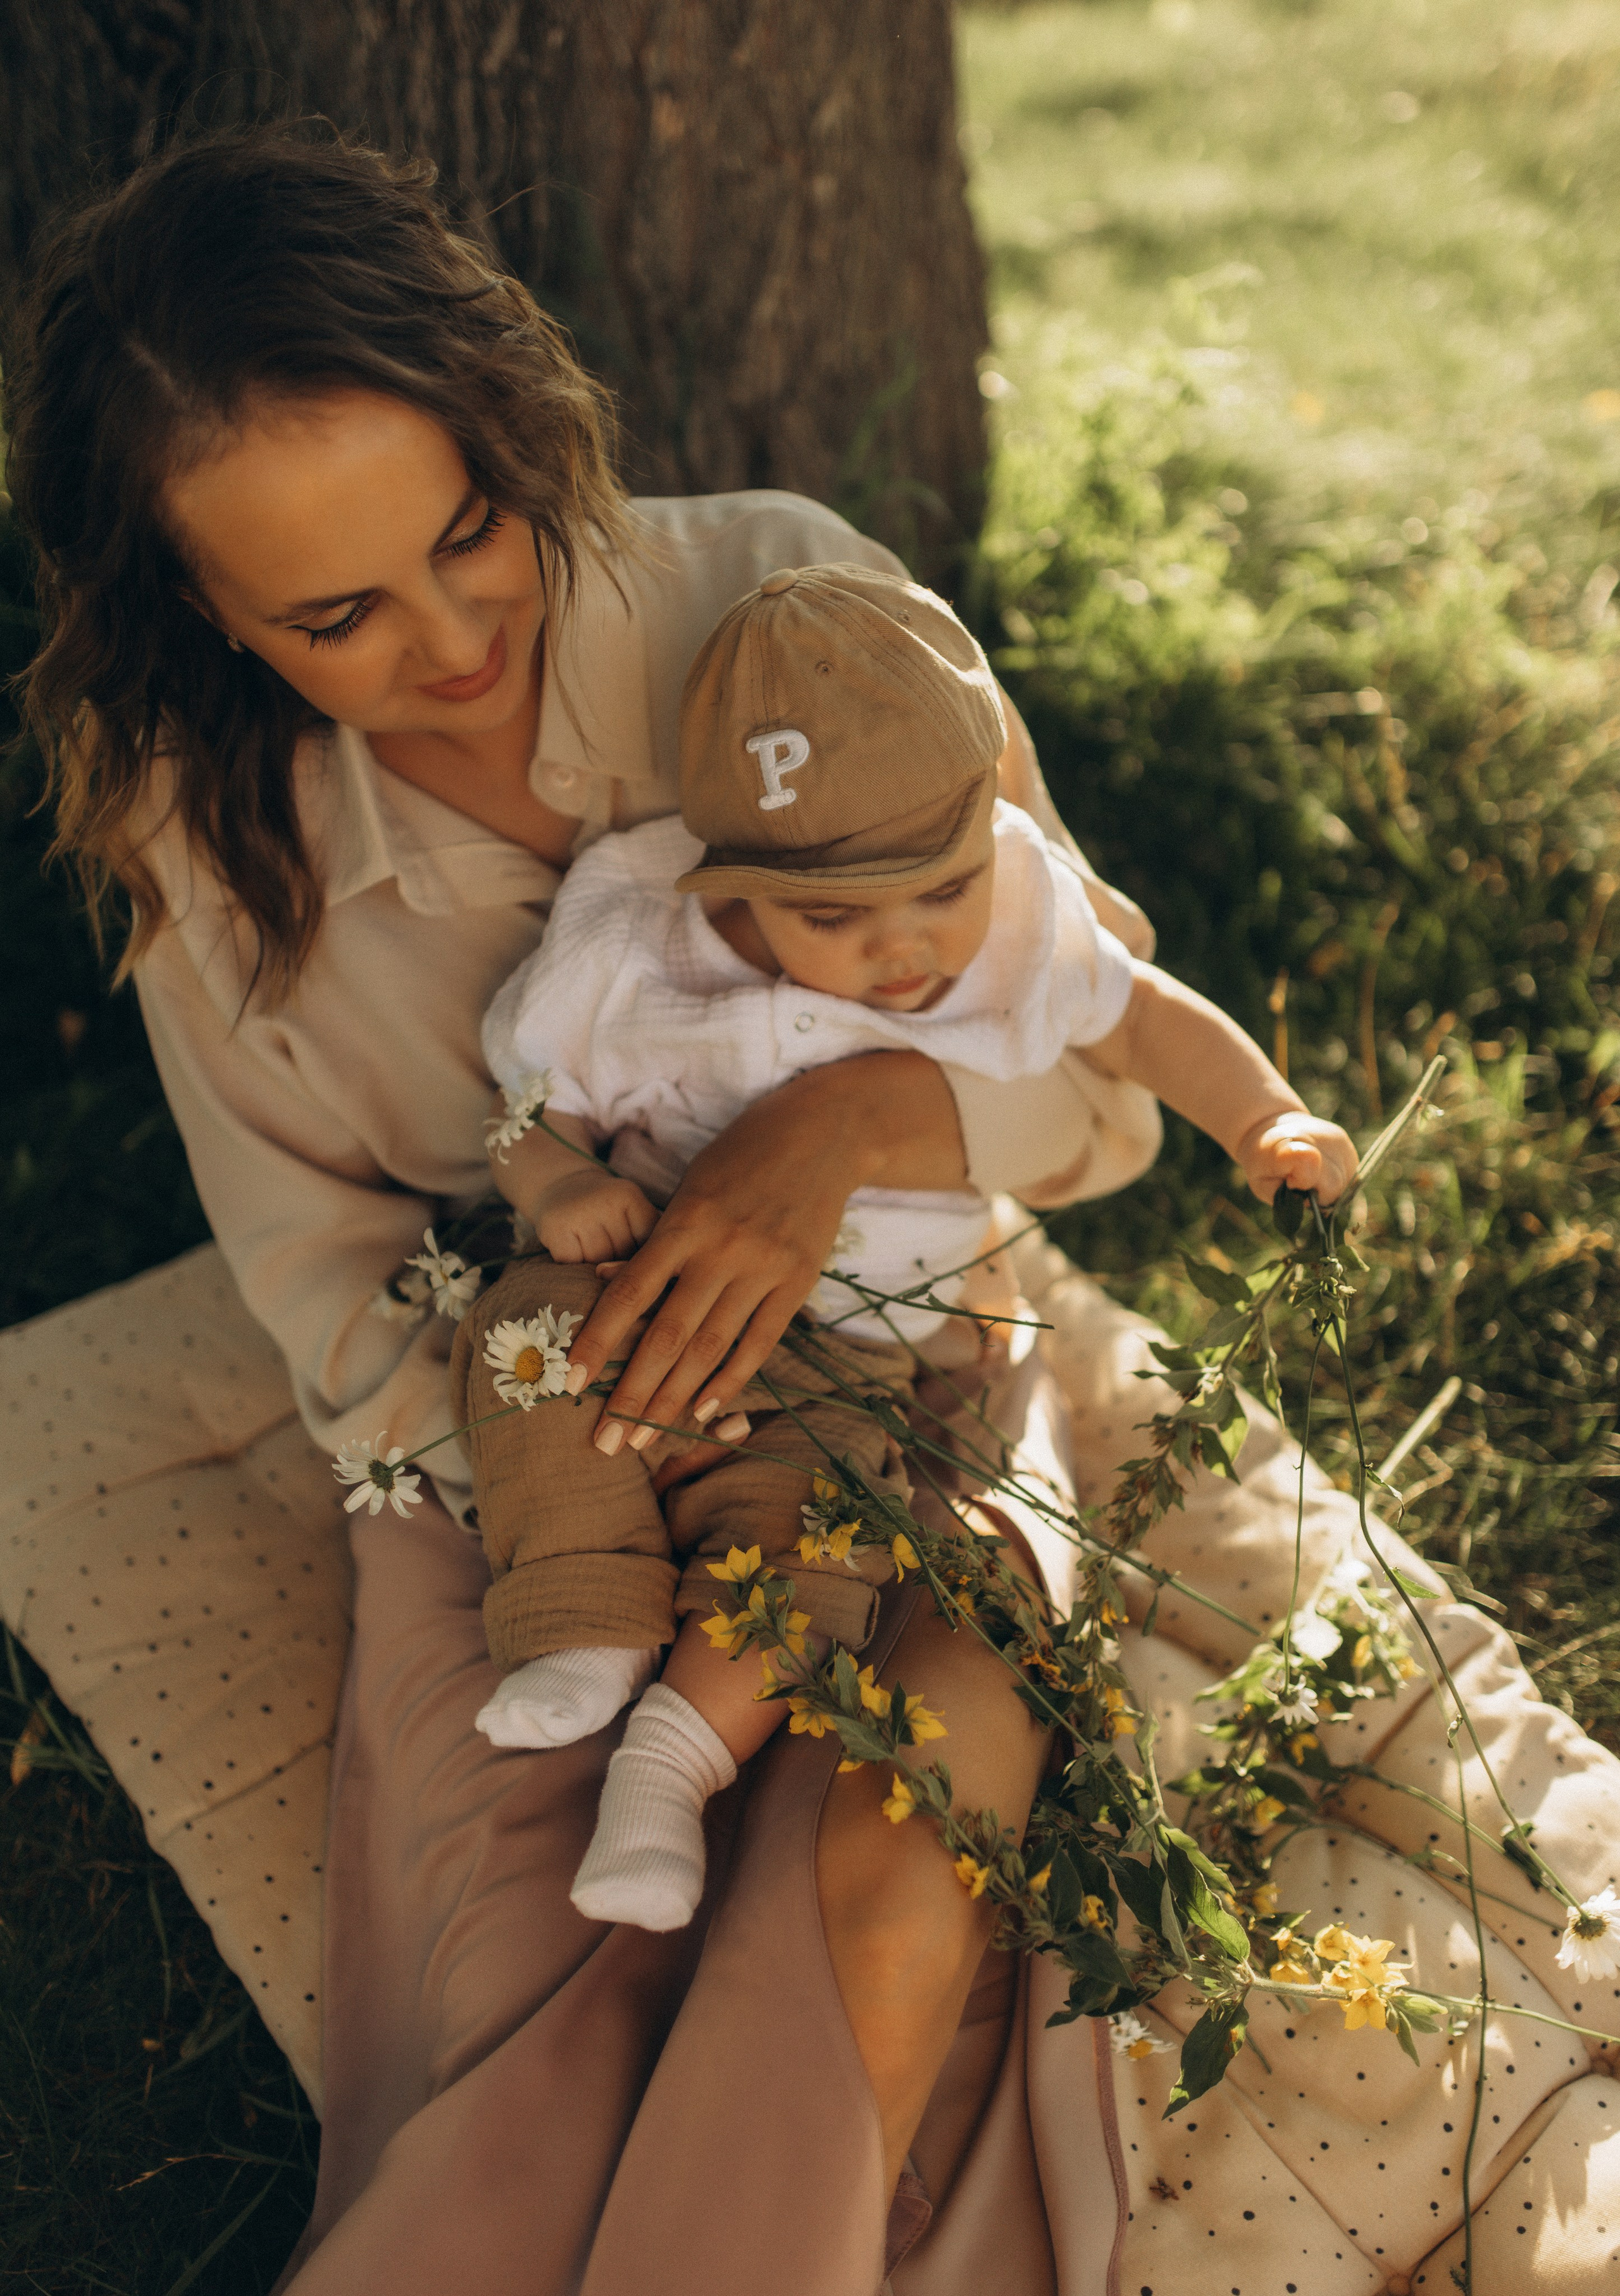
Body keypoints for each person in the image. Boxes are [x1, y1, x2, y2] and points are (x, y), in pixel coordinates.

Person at [9, 124, 1620, 2296]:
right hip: (539, 1435)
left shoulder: (785, 601)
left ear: (509, 417)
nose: (456, 630)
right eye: (335, 616)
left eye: (470, 532)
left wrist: (854, 1112)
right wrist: (593, 1434)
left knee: (891, 1874)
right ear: (205, 609)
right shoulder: (209, 843)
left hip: (916, 1368)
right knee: (563, 1987)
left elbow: (1094, 1094)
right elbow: (321, 1274)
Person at [463, 561, 1357, 1937]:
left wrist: (1263, 1117)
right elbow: (524, 1103)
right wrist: (551, 1181)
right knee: (530, 1356)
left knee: (814, 1542)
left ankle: (668, 1768)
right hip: (645, 1291)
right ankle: (578, 1625)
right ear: (732, 881)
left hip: (868, 1350)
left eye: (938, 888)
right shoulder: (632, 946)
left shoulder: (1008, 910)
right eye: (832, 918)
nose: (902, 951)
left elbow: (1144, 1019)